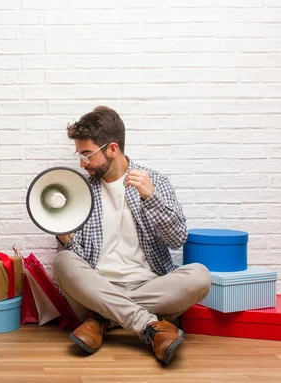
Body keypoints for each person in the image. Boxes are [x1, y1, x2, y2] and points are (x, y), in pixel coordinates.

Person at [52, 106, 211, 365]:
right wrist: (66, 238)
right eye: (79, 155)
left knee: (200, 276)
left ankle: (103, 320)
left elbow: (178, 239)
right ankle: (148, 324)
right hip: (98, 288)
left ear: (112, 149)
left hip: (147, 287)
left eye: (87, 154)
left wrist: (151, 199)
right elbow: (78, 265)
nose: (82, 163)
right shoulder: (79, 191)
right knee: (62, 261)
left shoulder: (155, 182)